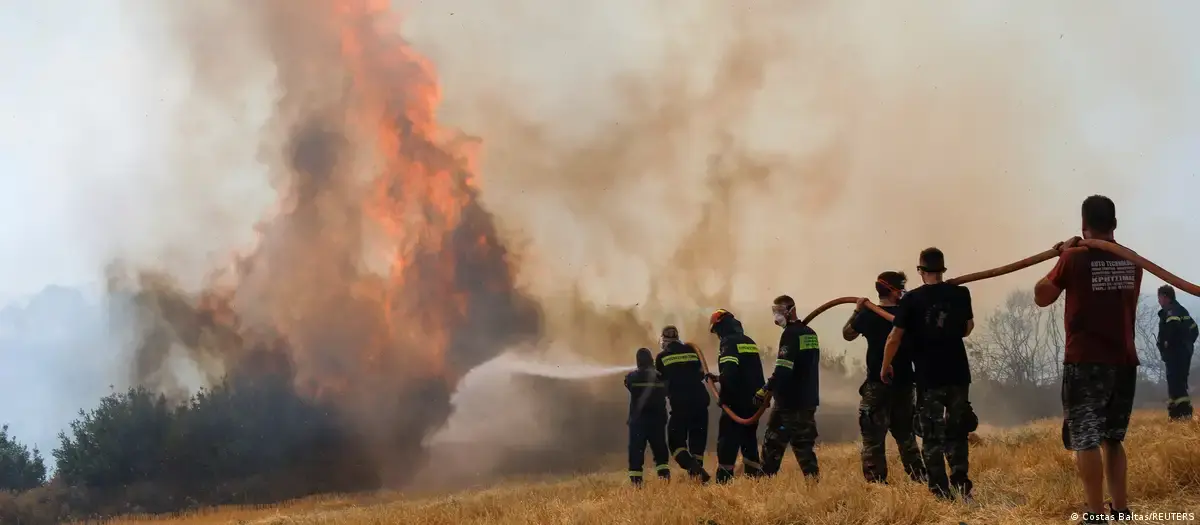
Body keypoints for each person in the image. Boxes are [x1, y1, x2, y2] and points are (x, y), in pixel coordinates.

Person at [1033, 195, 1140, 523]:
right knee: (1113, 439)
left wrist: (1062, 256)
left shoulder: (1074, 259)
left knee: (1086, 439)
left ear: (1083, 225)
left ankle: (1095, 515)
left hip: (1085, 361)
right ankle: (1120, 511)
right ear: (1115, 224)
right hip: (1124, 361)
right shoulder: (1133, 261)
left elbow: (1042, 296)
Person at [881, 247, 977, 501]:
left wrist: (885, 365)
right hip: (958, 373)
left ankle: (940, 491)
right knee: (957, 432)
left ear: (920, 270)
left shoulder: (910, 300)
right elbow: (968, 327)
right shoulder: (961, 293)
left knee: (932, 436)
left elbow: (894, 337)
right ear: (943, 269)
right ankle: (962, 485)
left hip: (929, 377)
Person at [843, 272, 927, 484]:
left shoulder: (868, 315)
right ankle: (920, 479)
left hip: (877, 386)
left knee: (873, 440)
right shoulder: (906, 315)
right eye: (901, 288)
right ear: (894, 291)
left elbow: (848, 333)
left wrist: (857, 310)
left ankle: (876, 485)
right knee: (906, 437)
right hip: (904, 385)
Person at [757, 295, 821, 479]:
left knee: (792, 444)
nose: (777, 315)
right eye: (774, 311)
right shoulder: (810, 333)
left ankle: (810, 482)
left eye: (780, 310)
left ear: (791, 310)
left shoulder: (790, 334)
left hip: (790, 401)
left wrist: (765, 389)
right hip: (807, 398)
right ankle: (765, 482)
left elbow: (783, 369)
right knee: (783, 442)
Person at [709, 309, 766, 483]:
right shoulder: (749, 341)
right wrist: (718, 378)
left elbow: (730, 373)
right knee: (749, 440)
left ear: (721, 328)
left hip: (735, 402)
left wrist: (723, 398)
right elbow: (748, 372)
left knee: (727, 441)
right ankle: (754, 478)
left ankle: (724, 482)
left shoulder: (728, 343)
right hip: (754, 401)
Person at [654, 325, 713, 482]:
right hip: (701, 402)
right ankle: (697, 477)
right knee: (697, 442)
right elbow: (701, 374)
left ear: (664, 340)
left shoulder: (661, 357)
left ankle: (695, 469)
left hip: (681, 405)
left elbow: (660, 383)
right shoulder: (692, 351)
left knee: (675, 443)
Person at [624, 347, 671, 486]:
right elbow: (666, 390)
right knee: (660, 450)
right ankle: (664, 478)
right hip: (657, 420)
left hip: (638, 421)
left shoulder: (632, 377)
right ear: (651, 360)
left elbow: (627, 383)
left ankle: (636, 483)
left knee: (636, 451)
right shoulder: (660, 377)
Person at [1157, 285, 1196, 421]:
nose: (1159, 301)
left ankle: (1183, 414)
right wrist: (1188, 344)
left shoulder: (1171, 311)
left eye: (1159, 297)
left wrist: (1168, 344)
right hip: (1182, 352)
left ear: (1165, 297)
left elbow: (1171, 329)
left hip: (1176, 354)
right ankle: (1176, 415)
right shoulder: (1181, 310)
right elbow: (1194, 329)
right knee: (1177, 382)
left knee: (1176, 383)